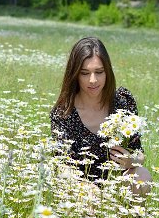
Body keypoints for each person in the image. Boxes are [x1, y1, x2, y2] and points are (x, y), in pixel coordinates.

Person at [50, 37, 152, 195]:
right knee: (90, 196)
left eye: (99, 72)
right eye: (84, 73)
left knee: (142, 175)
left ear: (108, 71)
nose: (93, 80)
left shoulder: (122, 103)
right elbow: (61, 165)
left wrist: (131, 160)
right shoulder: (64, 113)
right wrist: (84, 187)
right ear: (75, 75)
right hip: (79, 186)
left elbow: (139, 153)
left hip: (116, 181)